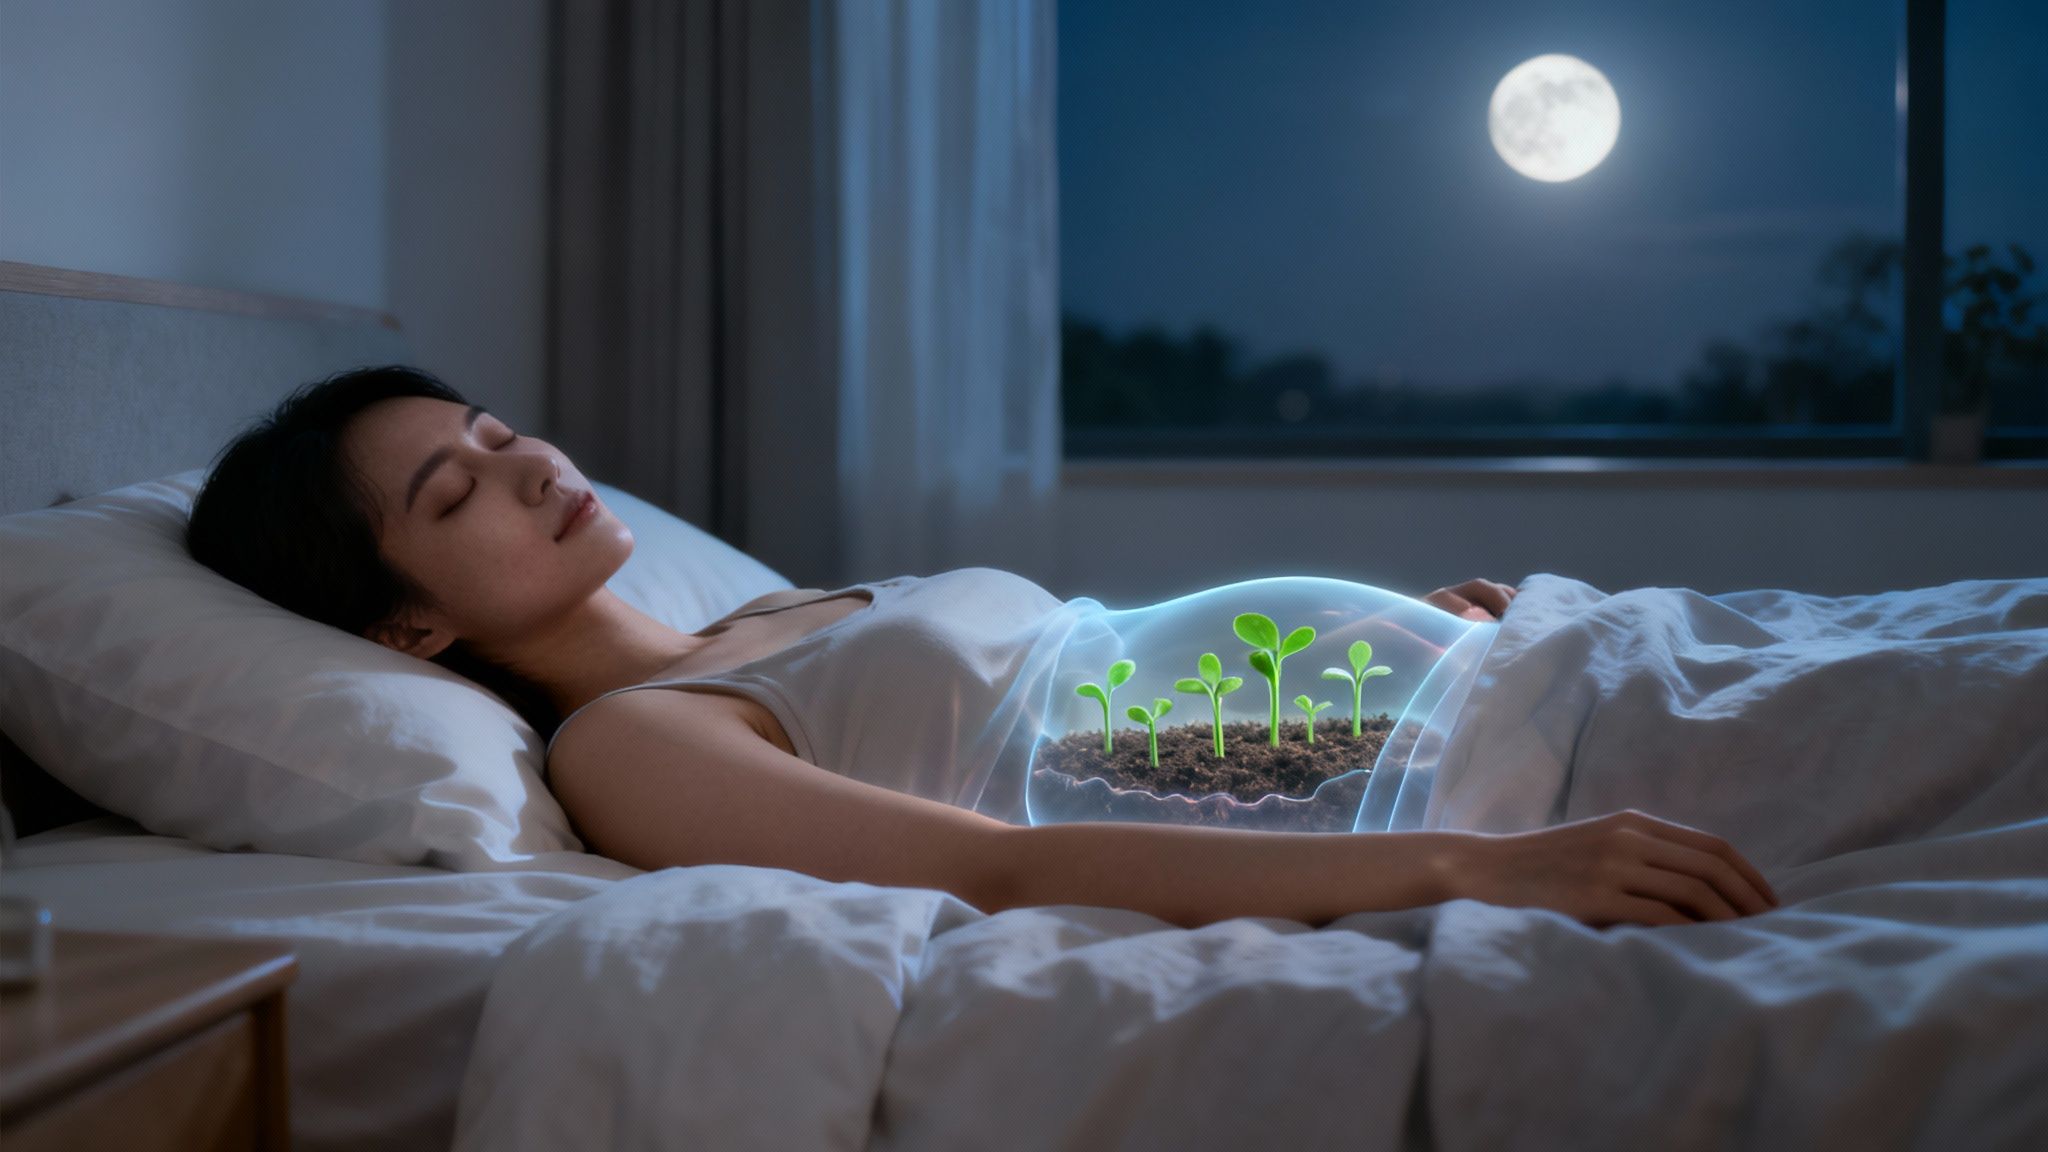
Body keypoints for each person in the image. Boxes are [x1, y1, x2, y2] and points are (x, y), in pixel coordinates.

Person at [188, 367, 1778, 931]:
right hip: (1496, 771)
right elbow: (1000, 868)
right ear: (409, 624)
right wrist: (1469, 865)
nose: (531, 462)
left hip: (1519, 669)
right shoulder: (633, 745)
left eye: (495, 426)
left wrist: (1397, 640)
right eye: (456, 487)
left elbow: (1133, 674)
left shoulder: (768, 613)